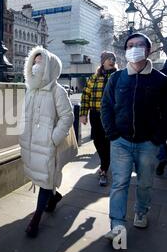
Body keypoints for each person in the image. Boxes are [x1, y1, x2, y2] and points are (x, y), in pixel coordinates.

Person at [101, 33, 167, 241]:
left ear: (148, 51)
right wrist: (112, 133)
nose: (134, 48)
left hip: (148, 143)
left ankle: (141, 211)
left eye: (139, 45)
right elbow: (106, 106)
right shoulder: (116, 78)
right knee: (119, 183)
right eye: (130, 45)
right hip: (120, 141)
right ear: (126, 51)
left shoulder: (161, 80)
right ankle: (117, 225)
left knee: (145, 183)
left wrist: (158, 138)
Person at [19, 47, 74, 238]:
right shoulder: (31, 90)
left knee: (45, 178)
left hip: (47, 144)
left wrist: (53, 138)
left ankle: (36, 220)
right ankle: (54, 197)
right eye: (34, 61)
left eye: (40, 61)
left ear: (49, 66)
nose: (36, 65)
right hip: (32, 143)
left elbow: (67, 116)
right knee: (42, 177)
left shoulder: (57, 91)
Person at [80, 51, 118, 186]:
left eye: (113, 58)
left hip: (111, 115)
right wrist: (83, 114)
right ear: (102, 61)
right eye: (108, 58)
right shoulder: (93, 78)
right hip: (95, 114)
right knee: (97, 140)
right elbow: (85, 96)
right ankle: (105, 163)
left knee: (107, 141)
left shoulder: (118, 76)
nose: (111, 60)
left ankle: (103, 168)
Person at [156, 60, 167, 175]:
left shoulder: (160, 76)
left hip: (161, 113)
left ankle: (162, 160)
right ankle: (162, 160)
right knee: (161, 140)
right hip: (162, 113)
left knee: (161, 140)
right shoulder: (161, 77)